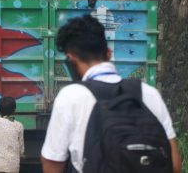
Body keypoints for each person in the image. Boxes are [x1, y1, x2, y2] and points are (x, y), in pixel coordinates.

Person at [41, 15, 181, 173]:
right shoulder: (149, 93)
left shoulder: (71, 96)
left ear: (71, 60)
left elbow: (53, 162)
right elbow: (174, 164)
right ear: (108, 54)